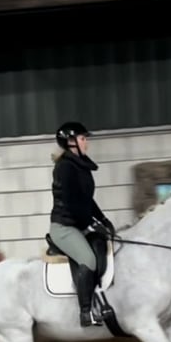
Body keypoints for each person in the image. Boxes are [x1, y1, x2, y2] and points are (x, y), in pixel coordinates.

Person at [48, 121, 116, 327]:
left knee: (101, 246)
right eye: (83, 138)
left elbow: (86, 200)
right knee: (88, 258)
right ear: (71, 142)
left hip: (78, 224)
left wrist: (103, 220)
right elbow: (71, 202)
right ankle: (86, 312)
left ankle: (101, 300)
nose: (87, 143)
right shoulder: (65, 168)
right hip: (64, 227)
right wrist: (91, 224)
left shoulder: (80, 166)